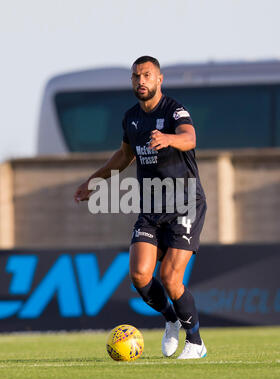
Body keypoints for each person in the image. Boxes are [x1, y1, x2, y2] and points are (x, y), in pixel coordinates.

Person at [74, 56, 207, 359]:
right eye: (136, 76)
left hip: (185, 202)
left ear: (159, 79)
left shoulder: (173, 109)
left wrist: (169, 139)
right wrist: (93, 183)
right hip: (150, 206)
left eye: (147, 75)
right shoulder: (131, 117)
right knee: (140, 276)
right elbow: (123, 157)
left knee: (172, 279)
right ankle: (171, 319)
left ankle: (196, 342)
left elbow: (190, 138)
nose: (141, 81)